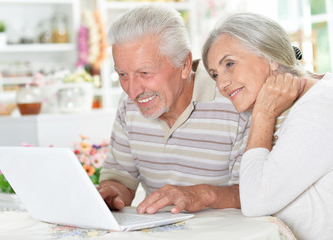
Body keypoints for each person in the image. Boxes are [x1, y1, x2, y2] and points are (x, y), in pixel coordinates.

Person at [97, 5, 251, 215]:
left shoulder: (234, 101)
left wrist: (203, 194)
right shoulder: (128, 106)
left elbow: (255, 192)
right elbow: (121, 178)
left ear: (185, 64)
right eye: (122, 75)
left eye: (144, 72)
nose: (132, 91)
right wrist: (111, 193)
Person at [202, 12, 333, 240]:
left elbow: (254, 202)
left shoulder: (320, 106)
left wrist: (263, 115)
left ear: (271, 57)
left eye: (229, 64)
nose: (221, 84)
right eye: (215, 74)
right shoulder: (295, 105)